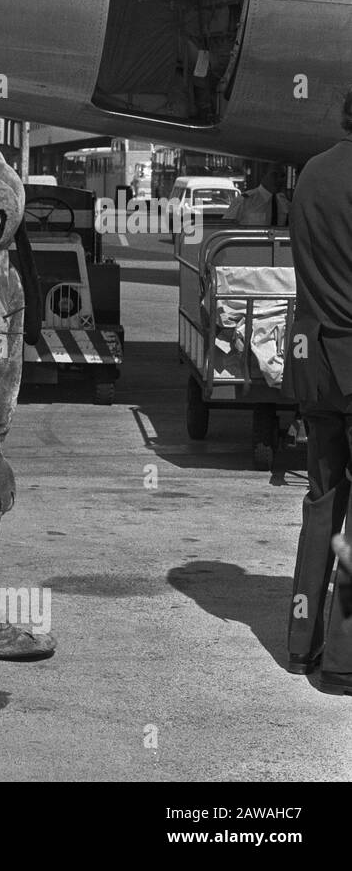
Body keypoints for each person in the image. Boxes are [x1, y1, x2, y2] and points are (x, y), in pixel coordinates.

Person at [284, 89, 352, 696]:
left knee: (322, 502)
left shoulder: (312, 172)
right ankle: (344, 661)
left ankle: (301, 643)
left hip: (315, 360)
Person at [223, 164, 289, 225]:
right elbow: (225, 227)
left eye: (282, 176)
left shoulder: (284, 202)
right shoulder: (245, 201)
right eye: (274, 174)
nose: (279, 179)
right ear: (263, 174)